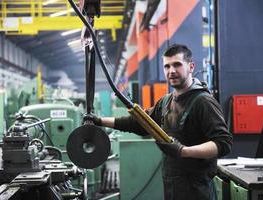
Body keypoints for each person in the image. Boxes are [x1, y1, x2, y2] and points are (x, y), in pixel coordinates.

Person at [87, 44, 232, 200]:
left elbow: (223, 143)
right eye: (167, 66)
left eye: (177, 64)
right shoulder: (165, 102)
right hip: (172, 185)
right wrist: (99, 121)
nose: (171, 71)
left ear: (191, 67)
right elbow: (139, 123)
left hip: (198, 188)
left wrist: (183, 151)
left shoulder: (203, 101)